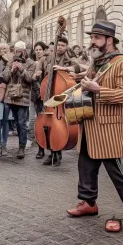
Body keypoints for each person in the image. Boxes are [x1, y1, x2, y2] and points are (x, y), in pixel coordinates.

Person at [67, 20, 123, 232]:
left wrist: (97, 89)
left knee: (116, 171)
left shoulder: (122, 63)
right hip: (89, 123)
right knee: (85, 165)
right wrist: (81, 78)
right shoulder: (98, 61)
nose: (92, 42)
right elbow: (93, 79)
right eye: (92, 37)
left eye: (96, 38)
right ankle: (89, 203)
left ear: (109, 40)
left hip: (109, 128)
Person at [33, 36, 81, 166]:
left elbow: (79, 68)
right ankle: (52, 152)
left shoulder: (70, 59)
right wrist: (37, 75)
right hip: (47, 95)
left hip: (62, 98)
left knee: (59, 125)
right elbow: (38, 71)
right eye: (58, 45)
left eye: (62, 45)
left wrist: (68, 69)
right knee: (47, 125)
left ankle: (57, 152)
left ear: (66, 47)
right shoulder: (46, 58)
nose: (59, 47)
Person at [1, 41, 36, 159]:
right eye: (16, 51)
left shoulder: (30, 63)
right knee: (16, 121)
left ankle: (22, 147)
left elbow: (30, 79)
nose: (17, 53)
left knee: (22, 122)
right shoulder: (11, 61)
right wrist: (11, 70)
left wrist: (22, 69)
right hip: (11, 96)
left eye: (20, 51)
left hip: (23, 97)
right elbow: (4, 77)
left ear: (25, 51)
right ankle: (20, 144)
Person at [27, 41, 46, 153]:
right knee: (32, 118)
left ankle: (43, 141)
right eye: (37, 50)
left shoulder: (47, 62)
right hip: (34, 94)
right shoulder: (33, 63)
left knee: (43, 119)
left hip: (45, 94)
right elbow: (29, 78)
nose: (38, 51)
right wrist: (33, 76)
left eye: (40, 49)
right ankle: (30, 138)